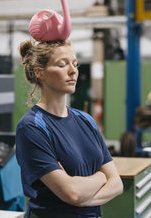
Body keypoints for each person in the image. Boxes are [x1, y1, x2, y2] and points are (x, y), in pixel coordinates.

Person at [15, 38, 123, 218]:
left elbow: (117, 184)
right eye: (62, 64)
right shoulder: (32, 127)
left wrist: (80, 198)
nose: (73, 71)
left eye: (75, 64)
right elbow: (71, 193)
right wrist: (101, 177)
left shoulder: (86, 120)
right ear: (39, 72)